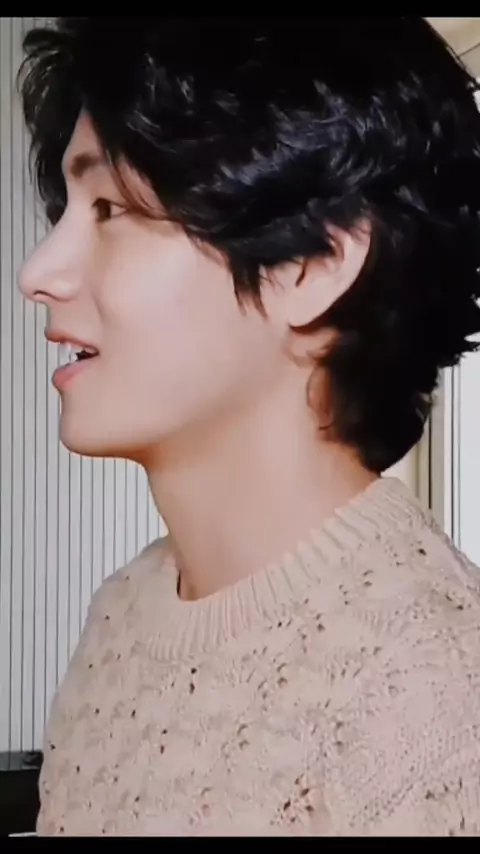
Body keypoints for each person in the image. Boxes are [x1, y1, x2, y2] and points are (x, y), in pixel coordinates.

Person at [18, 16, 480, 836]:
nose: (38, 272)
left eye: (110, 208)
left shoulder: (433, 693)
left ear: (310, 265)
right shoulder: (121, 614)